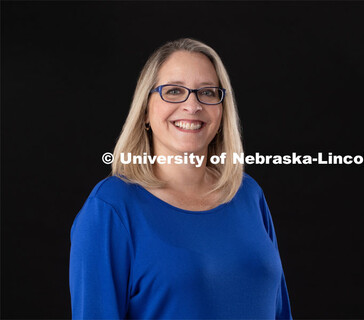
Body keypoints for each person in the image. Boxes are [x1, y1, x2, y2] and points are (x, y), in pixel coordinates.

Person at [69, 38, 293, 319]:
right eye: (174, 91)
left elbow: (281, 311)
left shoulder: (248, 193)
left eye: (208, 93)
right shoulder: (111, 208)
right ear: (145, 111)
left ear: (222, 110)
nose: (192, 105)